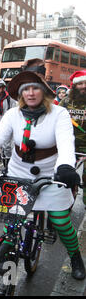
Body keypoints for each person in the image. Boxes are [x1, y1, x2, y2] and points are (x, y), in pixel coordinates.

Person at [0, 70, 85, 280]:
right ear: (21, 94)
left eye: (35, 88)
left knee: (60, 221)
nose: (30, 93)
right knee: (11, 224)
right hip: (18, 174)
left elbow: (66, 143)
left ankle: (75, 256)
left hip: (52, 176)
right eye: (26, 90)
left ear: (44, 91)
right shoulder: (13, 114)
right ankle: (8, 266)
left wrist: (66, 167)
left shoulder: (59, 114)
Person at [59, 70, 86, 207]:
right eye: (80, 83)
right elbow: (55, 118)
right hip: (69, 145)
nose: (83, 86)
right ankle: (65, 203)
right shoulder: (66, 101)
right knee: (66, 176)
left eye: (85, 83)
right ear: (74, 86)